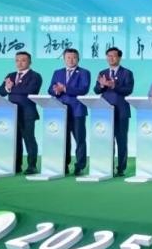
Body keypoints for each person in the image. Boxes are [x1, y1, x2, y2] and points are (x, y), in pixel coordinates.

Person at [0, 51, 42, 175]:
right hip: (12, 113)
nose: (20, 63)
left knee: (29, 139)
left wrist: (10, 88)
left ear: (30, 62)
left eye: (23, 60)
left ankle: (32, 166)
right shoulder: (11, 75)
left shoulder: (35, 76)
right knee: (15, 140)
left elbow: (30, 90)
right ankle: (16, 166)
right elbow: (0, 91)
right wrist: (7, 87)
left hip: (27, 113)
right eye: (17, 60)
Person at [48, 48, 91, 176]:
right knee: (63, 139)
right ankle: (64, 165)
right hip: (61, 110)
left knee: (80, 139)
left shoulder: (84, 72)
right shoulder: (57, 73)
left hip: (77, 110)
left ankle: (80, 166)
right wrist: (56, 91)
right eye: (68, 58)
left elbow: (83, 89)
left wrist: (65, 88)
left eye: (74, 58)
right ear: (64, 59)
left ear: (78, 59)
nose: (71, 60)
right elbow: (50, 89)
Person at [93, 47, 134, 177]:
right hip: (105, 111)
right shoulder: (103, 72)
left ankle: (121, 168)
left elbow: (128, 90)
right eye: (108, 56)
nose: (111, 58)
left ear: (119, 58)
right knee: (106, 140)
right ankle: (107, 166)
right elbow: (96, 90)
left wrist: (113, 86)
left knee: (121, 140)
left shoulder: (127, 73)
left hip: (121, 111)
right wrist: (102, 85)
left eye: (114, 56)